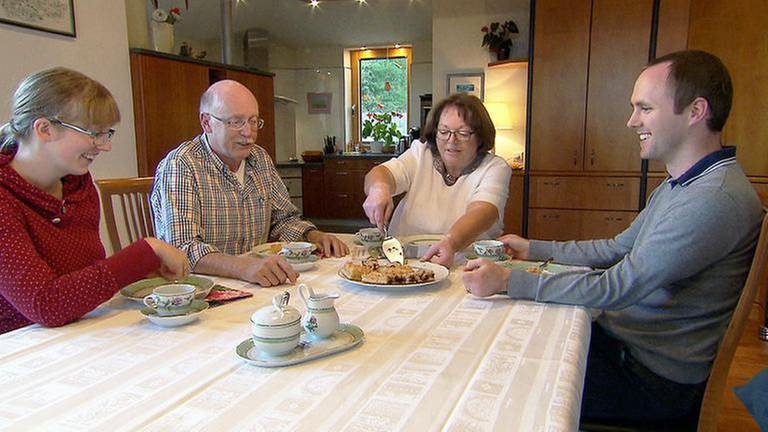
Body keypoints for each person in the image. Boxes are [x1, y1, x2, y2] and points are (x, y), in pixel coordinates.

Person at [463, 50, 763, 425]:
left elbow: (619, 286)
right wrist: (533, 248)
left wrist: (510, 280)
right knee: (513, 339)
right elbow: (618, 249)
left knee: (508, 379)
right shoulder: (685, 185)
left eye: (645, 108)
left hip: (651, 381)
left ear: (695, 111)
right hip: (630, 349)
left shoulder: (713, 199)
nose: (631, 121)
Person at [0, 67, 189, 334]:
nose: (105, 145)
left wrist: (135, 270)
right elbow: (45, 304)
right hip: (19, 350)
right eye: (93, 133)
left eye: (107, 133)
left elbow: (86, 272)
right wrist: (144, 251)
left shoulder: (77, 184)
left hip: (78, 331)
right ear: (44, 129)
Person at [151, 80, 348, 287]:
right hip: (203, 290)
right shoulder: (181, 165)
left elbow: (282, 221)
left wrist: (312, 235)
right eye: (236, 122)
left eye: (253, 121)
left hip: (258, 284)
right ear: (207, 122)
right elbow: (183, 248)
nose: (248, 132)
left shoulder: (259, 158)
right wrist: (244, 267)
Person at [363, 93, 512, 267]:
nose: (451, 140)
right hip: (402, 261)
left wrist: (451, 243)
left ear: (480, 136)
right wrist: (379, 189)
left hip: (464, 266)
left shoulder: (495, 167)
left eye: (463, 133)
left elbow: (484, 212)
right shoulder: (421, 153)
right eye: (444, 131)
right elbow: (381, 172)